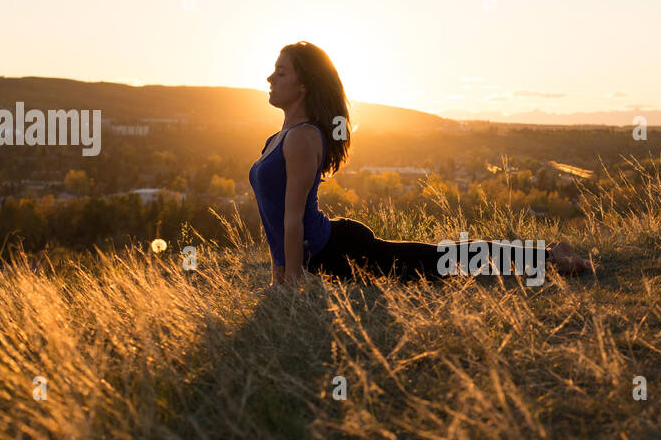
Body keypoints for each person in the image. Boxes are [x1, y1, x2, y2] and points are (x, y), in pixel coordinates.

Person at [249, 41, 594, 290]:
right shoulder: (277, 139)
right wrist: (278, 279)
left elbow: (292, 220)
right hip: (330, 247)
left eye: (281, 73)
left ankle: (548, 258)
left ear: (304, 86)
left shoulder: (302, 138)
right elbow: (276, 221)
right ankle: (544, 254)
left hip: (341, 252)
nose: (270, 78)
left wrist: (288, 289)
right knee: (441, 259)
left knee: (442, 262)